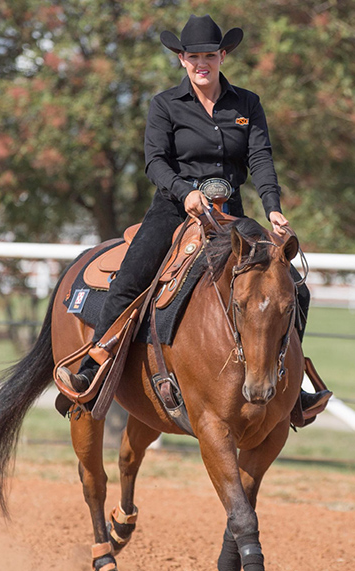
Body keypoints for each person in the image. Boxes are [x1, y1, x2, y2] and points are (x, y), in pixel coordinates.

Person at [58, 14, 330, 414]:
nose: (201, 63)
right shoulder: (165, 104)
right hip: (174, 208)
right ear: (181, 59)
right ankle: (92, 367)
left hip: (230, 215)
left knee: (294, 287)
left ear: (222, 56)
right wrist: (184, 193)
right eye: (192, 56)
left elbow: (260, 158)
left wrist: (273, 208)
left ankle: (293, 385)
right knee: (132, 277)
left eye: (208, 55)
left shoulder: (247, 104)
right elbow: (154, 162)